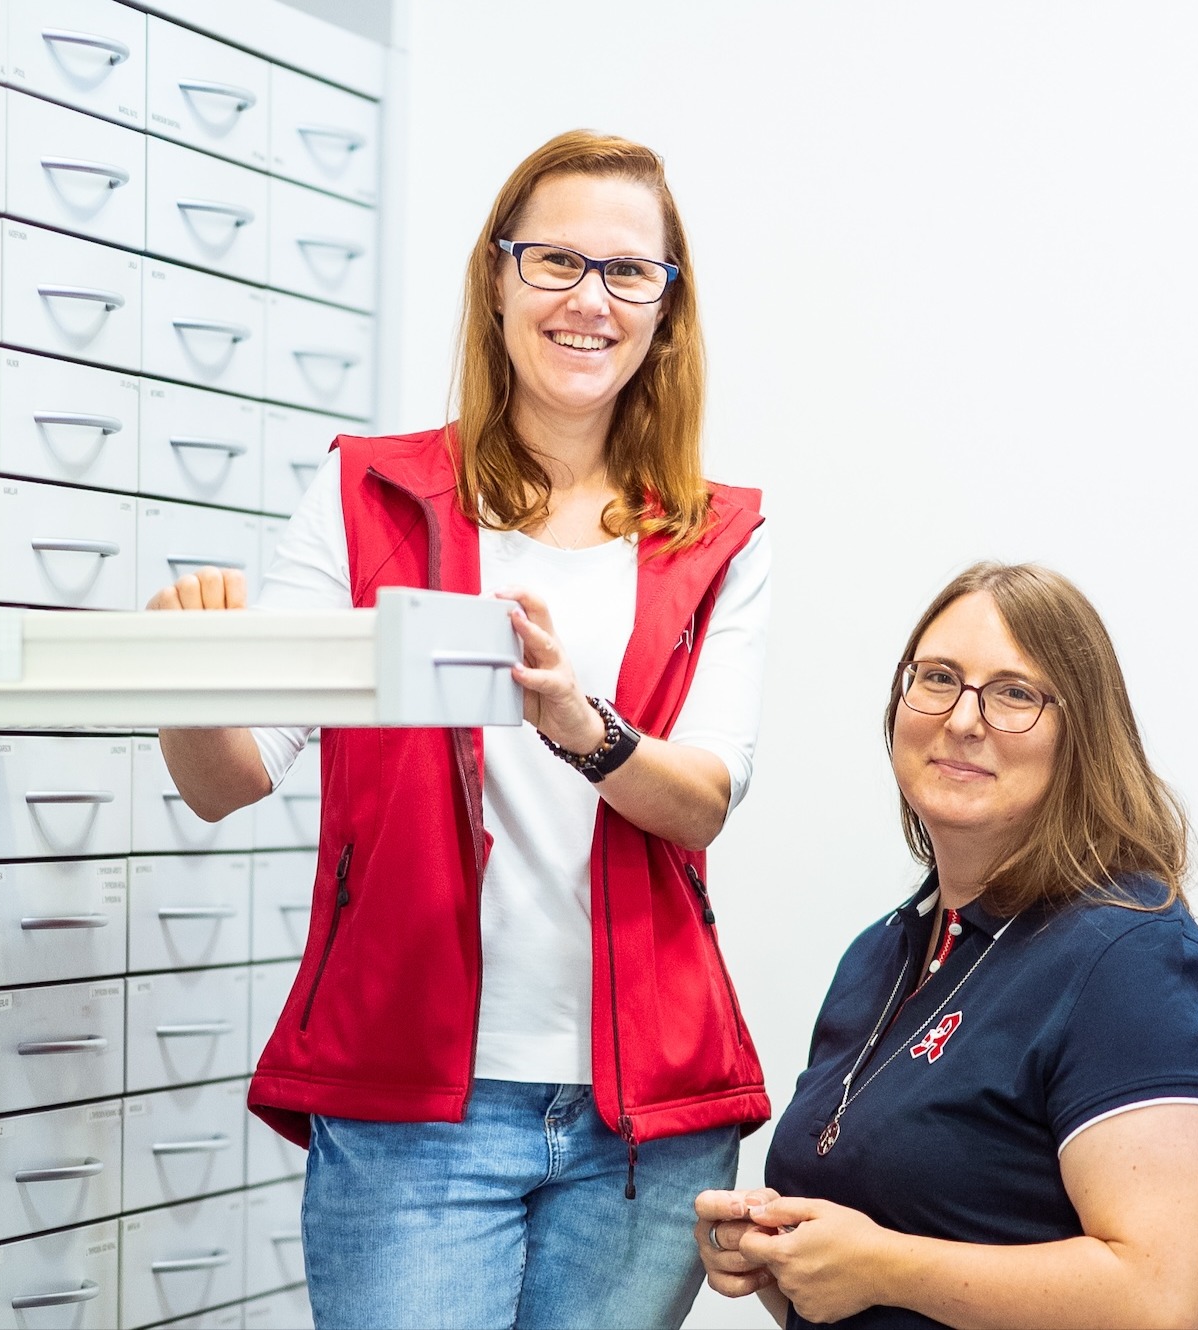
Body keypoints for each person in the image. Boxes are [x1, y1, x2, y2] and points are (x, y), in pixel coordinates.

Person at [145, 130, 773, 1329]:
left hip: (642, 1121)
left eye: (628, 272)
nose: (588, 298)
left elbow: (703, 799)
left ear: (665, 311)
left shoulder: (716, 535)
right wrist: (191, 673)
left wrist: (584, 726)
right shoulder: (363, 493)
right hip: (414, 1107)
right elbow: (228, 779)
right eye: (553, 261)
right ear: (497, 280)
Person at [694, 562, 1198, 1330]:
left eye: (1015, 693)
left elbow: (1159, 1300)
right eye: (938, 678)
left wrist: (879, 1263)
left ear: (1082, 737)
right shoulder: (880, 956)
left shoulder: (1129, 957)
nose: (963, 718)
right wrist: (780, 1257)